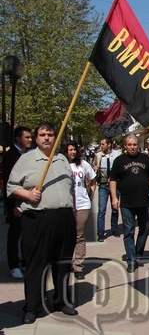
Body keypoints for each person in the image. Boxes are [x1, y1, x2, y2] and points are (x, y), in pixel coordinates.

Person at [7, 121, 78, 324]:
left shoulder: (62, 159)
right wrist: (27, 194)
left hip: (63, 217)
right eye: (42, 135)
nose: (47, 138)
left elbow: (70, 188)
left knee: (63, 263)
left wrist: (72, 212)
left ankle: (61, 300)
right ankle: (33, 306)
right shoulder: (26, 159)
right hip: (38, 218)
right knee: (37, 264)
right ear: (36, 138)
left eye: (50, 134)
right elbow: (11, 187)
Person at [109, 133, 149, 272]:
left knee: (145, 228)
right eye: (129, 145)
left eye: (134, 144)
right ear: (125, 146)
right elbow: (113, 180)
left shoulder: (145, 159)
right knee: (129, 231)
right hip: (127, 202)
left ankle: (138, 254)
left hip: (144, 201)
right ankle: (131, 259)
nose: (132, 147)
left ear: (138, 145)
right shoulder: (119, 161)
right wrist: (114, 197)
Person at [63, 140, 96, 280]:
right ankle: (64, 263)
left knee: (79, 236)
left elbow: (93, 179)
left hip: (83, 205)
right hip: (66, 205)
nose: (72, 152)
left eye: (74, 149)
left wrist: (91, 194)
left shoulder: (83, 164)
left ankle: (78, 266)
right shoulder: (60, 165)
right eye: (69, 150)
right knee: (66, 236)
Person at [2, 126, 32, 279]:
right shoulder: (10, 156)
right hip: (15, 202)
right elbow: (9, 183)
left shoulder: (27, 154)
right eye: (27, 137)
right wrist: (14, 205)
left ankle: (25, 261)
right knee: (15, 233)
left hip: (27, 199)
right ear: (17, 139)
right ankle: (14, 265)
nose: (30, 140)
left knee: (26, 232)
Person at [93, 137, 121, 241]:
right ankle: (100, 232)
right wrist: (95, 169)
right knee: (101, 210)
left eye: (103, 144)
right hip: (103, 185)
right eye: (101, 144)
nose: (101, 146)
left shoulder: (117, 154)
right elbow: (93, 172)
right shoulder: (98, 155)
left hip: (115, 185)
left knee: (115, 208)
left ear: (109, 145)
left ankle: (114, 228)